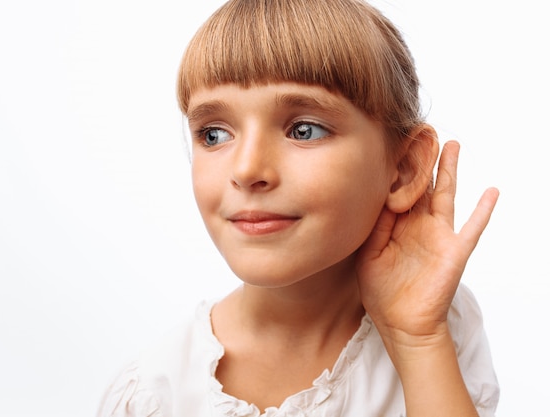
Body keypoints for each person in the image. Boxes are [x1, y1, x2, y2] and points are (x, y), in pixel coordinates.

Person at [97, 0, 500, 415]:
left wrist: (418, 340)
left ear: (402, 169)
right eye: (214, 134)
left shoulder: (436, 329)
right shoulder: (152, 394)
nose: (247, 168)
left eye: (303, 130)